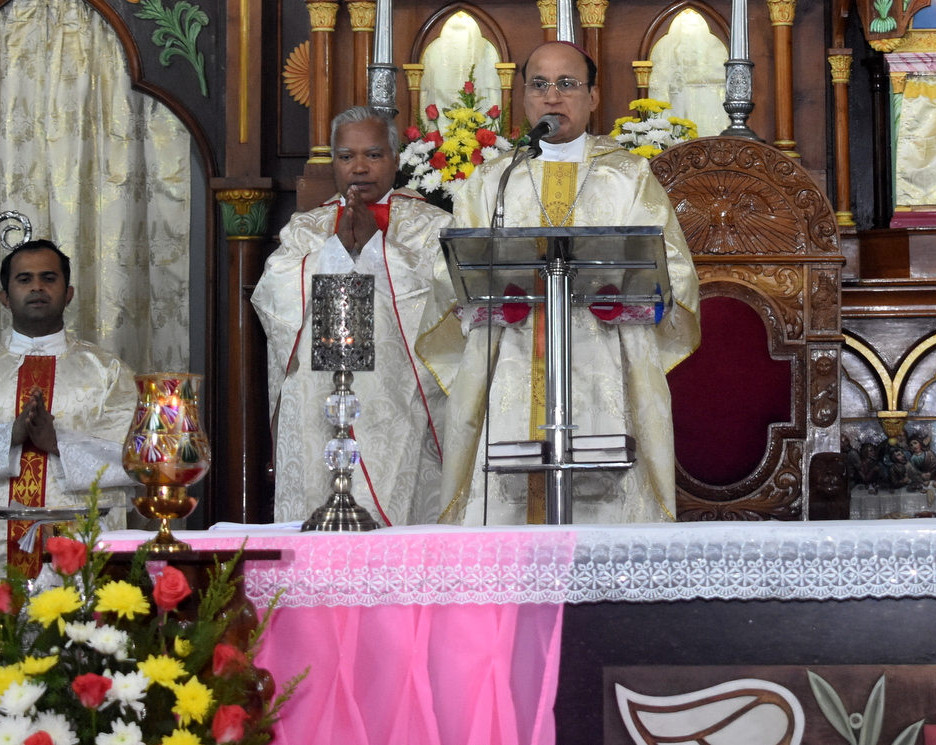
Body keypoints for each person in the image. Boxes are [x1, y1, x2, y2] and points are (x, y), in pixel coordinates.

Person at [424, 41, 700, 525]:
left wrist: (627, 299)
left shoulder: (628, 175)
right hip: (509, 358)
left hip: (606, 356)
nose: (552, 97)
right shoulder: (494, 180)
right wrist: (488, 302)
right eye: (539, 85)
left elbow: (673, 270)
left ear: (594, 97)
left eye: (567, 84)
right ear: (524, 99)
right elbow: (449, 278)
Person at [253, 106, 453, 526]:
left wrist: (378, 249)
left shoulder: (432, 226)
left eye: (373, 155)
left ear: (396, 160)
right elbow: (273, 293)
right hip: (319, 397)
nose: (359, 167)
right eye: (346, 157)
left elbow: (446, 297)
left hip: (398, 403)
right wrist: (333, 251)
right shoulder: (306, 227)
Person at [0, 241, 137, 585]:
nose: (37, 287)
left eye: (49, 278)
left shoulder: (108, 373)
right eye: (24, 279)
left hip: (77, 548)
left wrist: (58, 442)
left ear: (69, 292)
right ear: (4, 296)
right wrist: (8, 438)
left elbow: (136, 458)